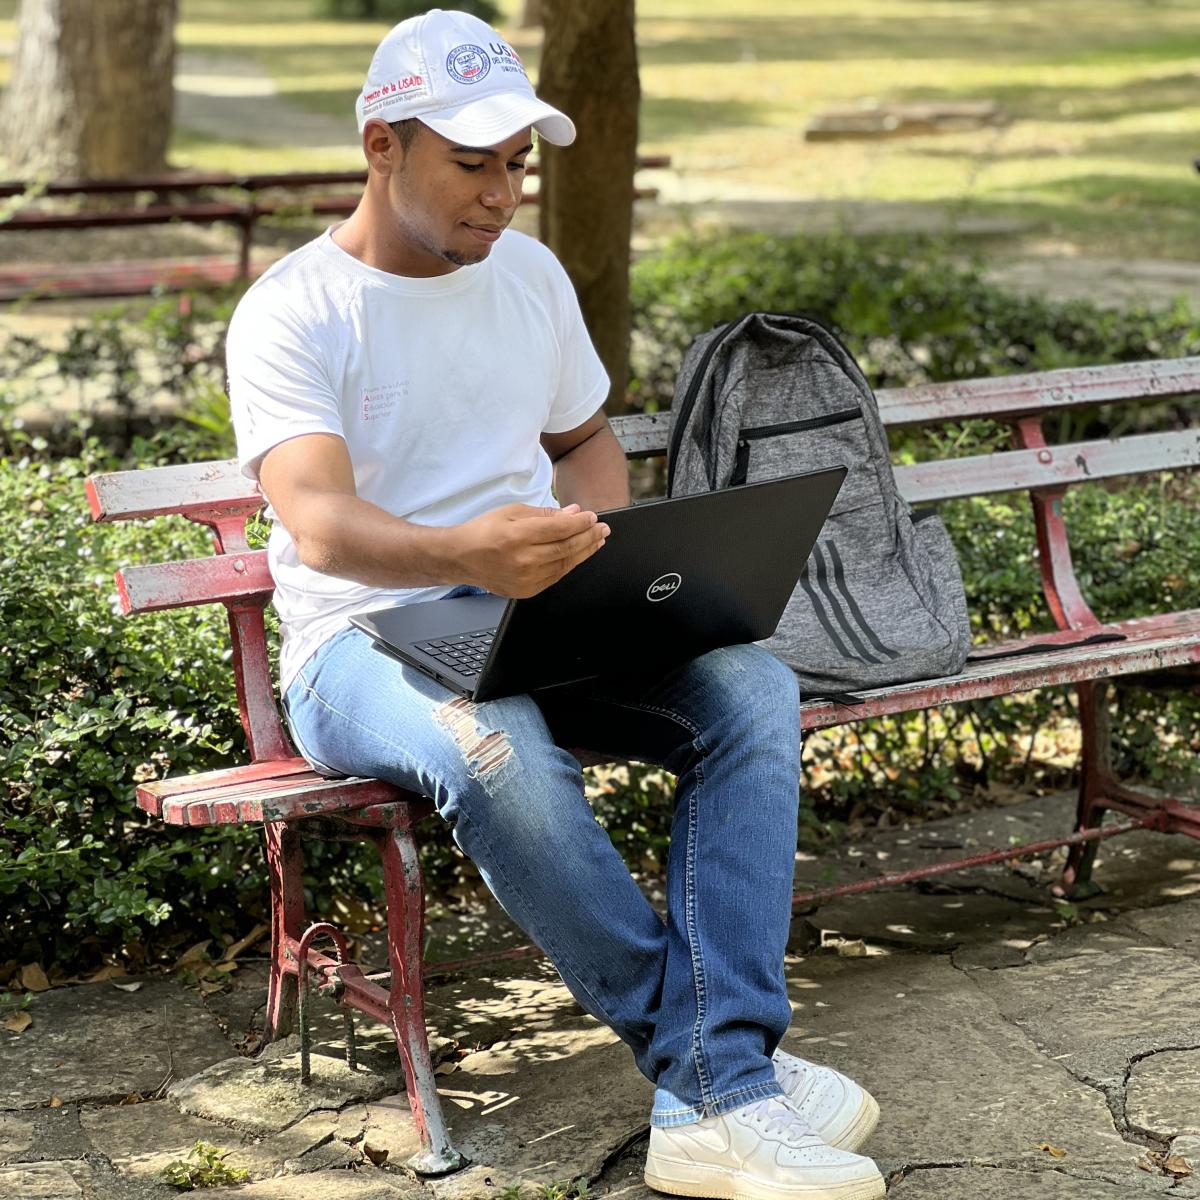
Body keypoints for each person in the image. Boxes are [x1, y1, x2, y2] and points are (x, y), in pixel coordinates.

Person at [226, 10, 886, 1200]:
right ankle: (726, 1085)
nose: (502, 194)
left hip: (536, 610)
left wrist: (595, 553)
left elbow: (583, 443)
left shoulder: (525, 277)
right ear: (383, 145)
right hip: (359, 644)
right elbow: (316, 521)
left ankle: (714, 1083)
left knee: (752, 685)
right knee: (499, 752)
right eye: (471, 163)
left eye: (517, 163)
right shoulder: (295, 310)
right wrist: (463, 556)